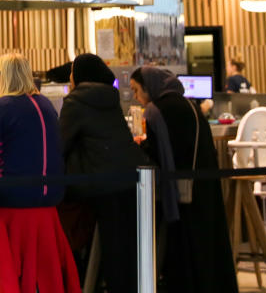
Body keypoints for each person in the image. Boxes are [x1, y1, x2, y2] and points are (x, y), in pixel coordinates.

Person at [130, 67, 237, 293]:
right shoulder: (189, 104)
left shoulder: (156, 110)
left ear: (149, 87)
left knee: (185, 253)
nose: (136, 97)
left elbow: (159, 152)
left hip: (182, 194)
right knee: (208, 250)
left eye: (136, 90)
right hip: (204, 188)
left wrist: (139, 146)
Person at [0, 54, 65, 279]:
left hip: (17, 192)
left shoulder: (1, 106)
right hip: (54, 192)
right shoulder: (46, 104)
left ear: (3, 77)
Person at [59, 53, 149, 293]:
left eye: (71, 74)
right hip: (130, 180)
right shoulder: (110, 98)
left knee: (64, 214)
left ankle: (76, 279)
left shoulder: (74, 102)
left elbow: (60, 144)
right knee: (124, 252)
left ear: (80, 76)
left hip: (101, 184)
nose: (69, 79)